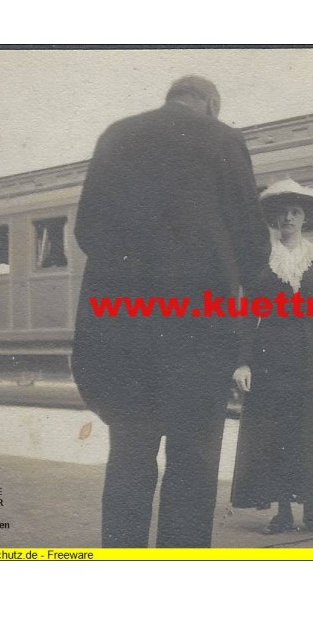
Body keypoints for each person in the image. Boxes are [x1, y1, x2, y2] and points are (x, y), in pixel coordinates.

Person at [71, 75, 271, 548]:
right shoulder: (223, 138)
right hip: (200, 334)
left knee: (129, 457)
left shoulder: (116, 135)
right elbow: (250, 242)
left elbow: (86, 230)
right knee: (193, 462)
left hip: (124, 333)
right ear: (211, 105)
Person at [230, 179, 313, 534]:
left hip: (310, 358)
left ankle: (311, 510)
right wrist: (243, 361)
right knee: (276, 432)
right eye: (283, 212)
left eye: (295, 212)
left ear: (305, 218)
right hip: (269, 358)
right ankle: (282, 511)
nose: (288, 217)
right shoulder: (261, 262)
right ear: (274, 218)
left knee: (310, 434)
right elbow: (245, 315)